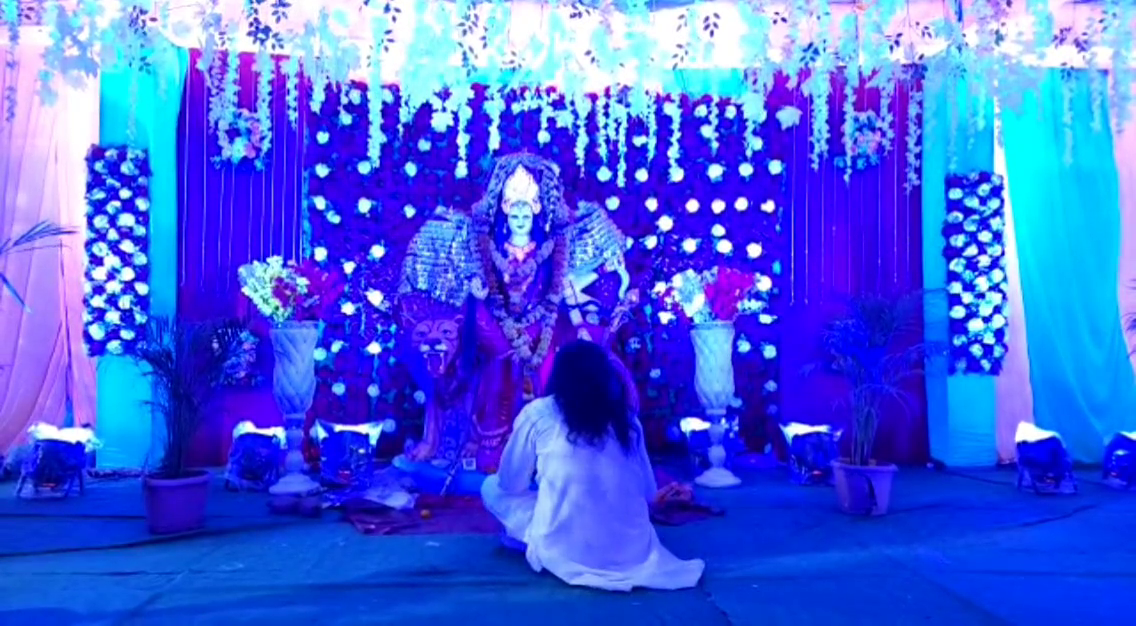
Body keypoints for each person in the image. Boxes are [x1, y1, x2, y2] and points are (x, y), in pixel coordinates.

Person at [480, 339, 705, 591]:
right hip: (633, 551)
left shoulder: (539, 412)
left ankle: (526, 540)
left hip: (566, 551)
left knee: (491, 487)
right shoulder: (627, 419)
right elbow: (648, 493)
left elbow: (510, 483)